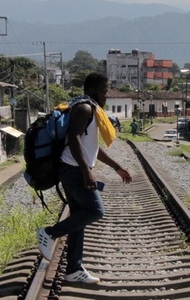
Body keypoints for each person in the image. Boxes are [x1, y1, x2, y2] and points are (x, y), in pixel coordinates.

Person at [37, 73, 133, 283]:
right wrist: (85, 170)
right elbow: (74, 139)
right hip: (72, 170)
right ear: (91, 90)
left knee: (79, 219)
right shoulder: (84, 108)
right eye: (104, 91)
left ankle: (73, 269)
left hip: (74, 168)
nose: (106, 96)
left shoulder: (89, 109)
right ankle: (50, 232)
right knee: (95, 210)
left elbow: (92, 147)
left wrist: (117, 167)